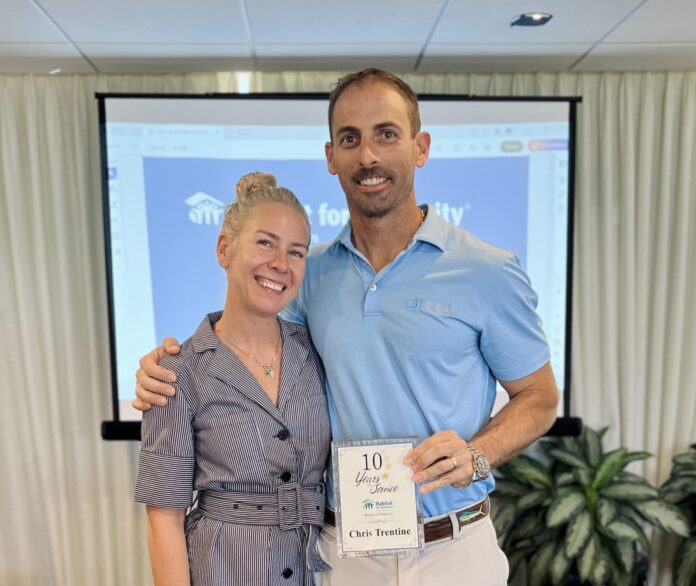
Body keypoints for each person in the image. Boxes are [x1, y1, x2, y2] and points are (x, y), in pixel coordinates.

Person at [134, 69, 559, 585]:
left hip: (454, 549)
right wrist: (164, 366)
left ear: (420, 147)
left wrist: (478, 454)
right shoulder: (311, 273)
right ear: (331, 156)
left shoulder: (486, 270)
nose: (369, 156)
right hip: (344, 554)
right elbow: (249, 341)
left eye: (386, 134)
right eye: (350, 139)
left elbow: (539, 396)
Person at [134, 172, 331, 586]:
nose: (280, 264)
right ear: (225, 249)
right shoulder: (176, 372)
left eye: (296, 252)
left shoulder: (317, 353)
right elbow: (164, 520)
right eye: (265, 243)